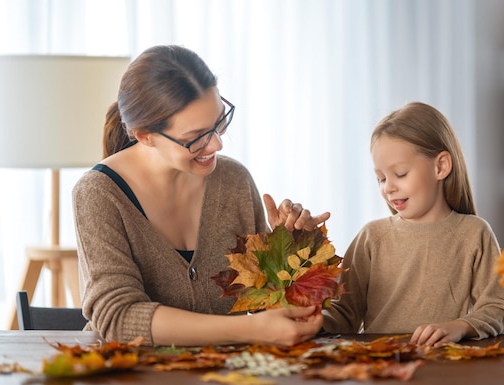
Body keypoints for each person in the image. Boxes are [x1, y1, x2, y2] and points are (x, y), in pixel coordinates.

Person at [72, 45, 329, 347]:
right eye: (195, 138)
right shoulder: (99, 194)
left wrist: (290, 252)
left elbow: (266, 305)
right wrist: (250, 331)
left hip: (227, 382)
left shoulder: (234, 181)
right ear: (144, 135)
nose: (217, 144)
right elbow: (119, 318)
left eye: (220, 122)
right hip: (133, 384)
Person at [322, 102, 504, 346]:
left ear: (441, 166)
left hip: (446, 369)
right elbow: (344, 313)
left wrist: (460, 327)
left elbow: (499, 309)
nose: (388, 188)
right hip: (383, 369)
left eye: (400, 174)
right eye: (381, 178)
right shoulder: (372, 237)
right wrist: (312, 321)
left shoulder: (474, 233)